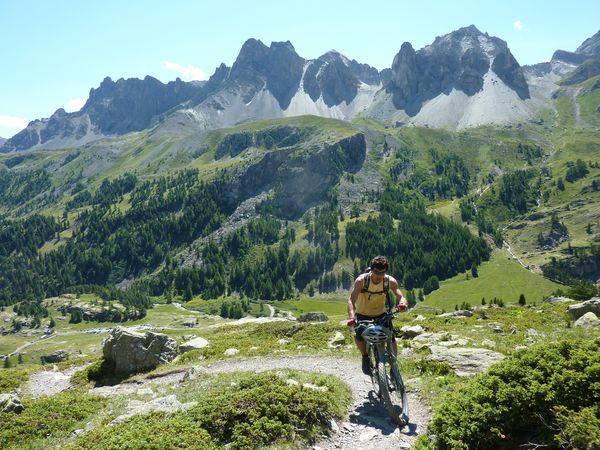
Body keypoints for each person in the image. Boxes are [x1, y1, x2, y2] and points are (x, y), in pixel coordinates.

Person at [347, 255, 408, 375]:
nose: (379, 275)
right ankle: (365, 357)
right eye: (376, 272)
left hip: (381, 314)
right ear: (371, 269)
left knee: (391, 339)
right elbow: (351, 300)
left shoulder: (389, 281)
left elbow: (401, 296)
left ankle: (393, 366)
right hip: (363, 314)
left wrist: (402, 303)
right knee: (359, 336)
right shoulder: (361, 281)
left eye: (382, 272)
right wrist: (351, 316)